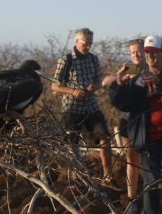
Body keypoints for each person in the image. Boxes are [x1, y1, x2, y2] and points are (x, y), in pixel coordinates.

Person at [108, 35, 162, 214]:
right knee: (151, 182)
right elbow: (123, 104)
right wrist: (119, 83)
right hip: (148, 140)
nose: (151, 56)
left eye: (155, 53)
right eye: (148, 53)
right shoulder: (137, 80)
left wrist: (159, 82)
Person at [51, 28, 122, 191]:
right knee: (72, 144)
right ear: (76, 41)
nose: (88, 46)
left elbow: (99, 80)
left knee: (105, 138)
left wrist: (94, 86)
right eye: (86, 42)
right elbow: (54, 86)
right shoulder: (66, 60)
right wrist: (73, 91)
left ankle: (107, 177)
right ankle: (76, 180)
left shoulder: (93, 59)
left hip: (91, 106)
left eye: (90, 42)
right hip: (72, 108)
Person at [103, 38, 146, 214]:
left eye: (138, 51)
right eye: (132, 52)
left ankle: (148, 202)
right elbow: (106, 81)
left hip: (147, 122)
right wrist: (120, 77)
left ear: (146, 51)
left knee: (150, 163)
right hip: (127, 121)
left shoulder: (153, 68)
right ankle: (132, 201)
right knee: (132, 161)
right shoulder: (130, 68)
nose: (135, 55)